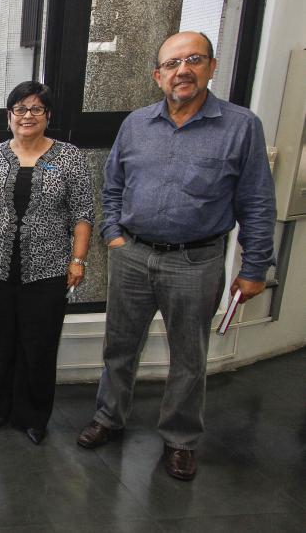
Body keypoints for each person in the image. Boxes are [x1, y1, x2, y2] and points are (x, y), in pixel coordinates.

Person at [77, 31, 276, 480]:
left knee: (189, 356)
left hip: (196, 261)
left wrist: (255, 265)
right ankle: (109, 417)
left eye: (193, 60)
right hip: (132, 254)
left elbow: (258, 202)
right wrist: (113, 234)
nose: (182, 70)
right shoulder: (135, 124)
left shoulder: (241, 127)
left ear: (211, 66)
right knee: (120, 346)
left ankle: (180, 439)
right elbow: (112, 186)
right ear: (158, 75)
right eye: (171, 64)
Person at [0, 81, 94, 445]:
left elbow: (83, 213)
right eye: (20, 109)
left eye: (36, 109)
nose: (28, 116)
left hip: (48, 269)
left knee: (38, 344)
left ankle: (33, 415)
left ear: (48, 116)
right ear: (9, 116)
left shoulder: (69, 157)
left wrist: (78, 259)